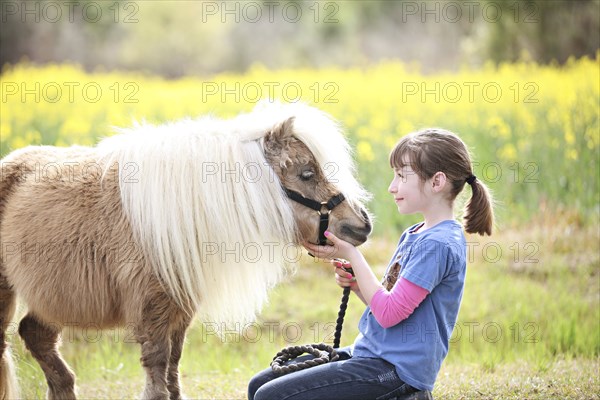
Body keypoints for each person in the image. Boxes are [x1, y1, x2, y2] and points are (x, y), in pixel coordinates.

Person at [248, 128, 494, 400]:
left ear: (437, 182)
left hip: (395, 369)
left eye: (402, 176)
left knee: (268, 397)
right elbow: (392, 306)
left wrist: (354, 256)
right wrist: (356, 284)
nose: (392, 186)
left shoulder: (437, 245)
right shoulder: (416, 234)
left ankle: (409, 395)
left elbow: (388, 313)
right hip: (372, 352)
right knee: (259, 384)